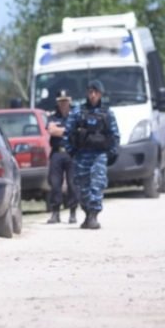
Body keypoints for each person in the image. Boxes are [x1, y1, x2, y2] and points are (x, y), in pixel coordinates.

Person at [65, 80, 119, 230]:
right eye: (90, 92)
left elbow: (114, 135)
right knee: (82, 186)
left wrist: (112, 153)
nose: (93, 95)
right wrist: (71, 151)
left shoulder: (107, 113)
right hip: (82, 155)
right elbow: (68, 133)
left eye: (96, 92)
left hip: (99, 156)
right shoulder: (77, 112)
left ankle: (93, 215)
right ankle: (87, 213)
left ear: (101, 94)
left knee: (97, 184)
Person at [45, 91, 77, 224]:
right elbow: (51, 130)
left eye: (65, 101)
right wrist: (68, 130)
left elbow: (77, 130)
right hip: (57, 153)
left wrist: (61, 130)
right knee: (55, 184)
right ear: (57, 102)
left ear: (69, 101)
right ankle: (55, 213)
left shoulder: (75, 115)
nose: (63, 104)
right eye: (61, 101)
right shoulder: (52, 116)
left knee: (72, 184)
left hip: (71, 153)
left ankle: (73, 212)